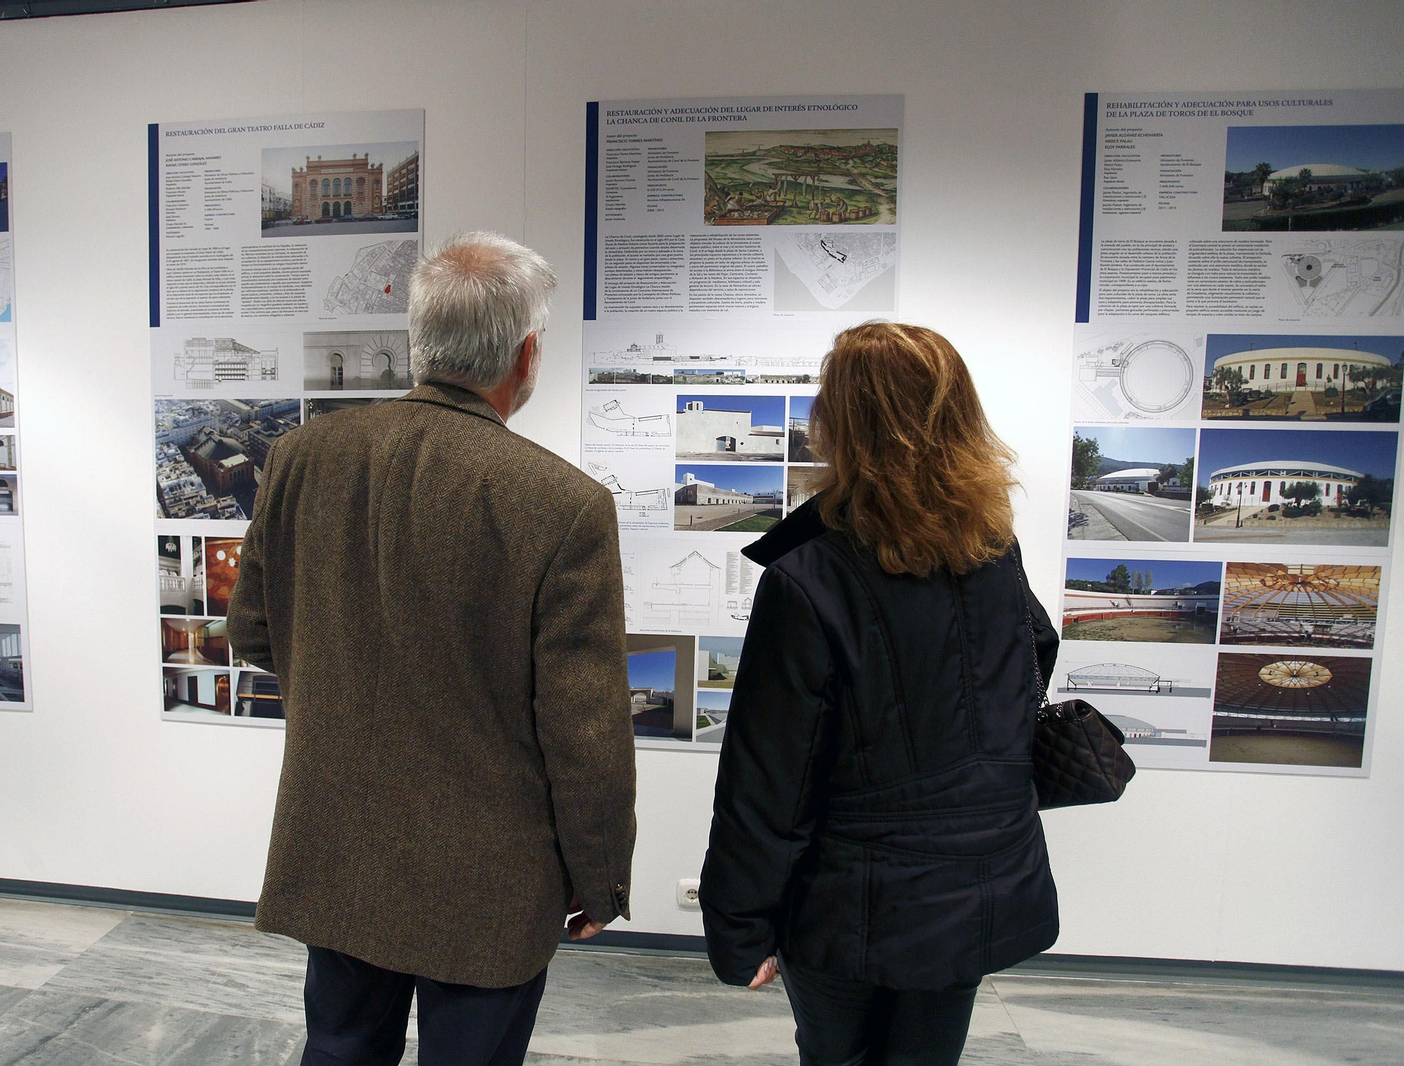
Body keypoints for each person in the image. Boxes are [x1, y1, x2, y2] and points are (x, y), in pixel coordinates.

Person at [228, 231, 637, 1066]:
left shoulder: (302, 458)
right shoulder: (562, 504)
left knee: (340, 1050)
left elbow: (254, 632)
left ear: (422, 340)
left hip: (338, 839)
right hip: (490, 875)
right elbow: (584, 729)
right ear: (525, 354)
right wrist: (602, 878)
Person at [699, 322, 1060, 1066]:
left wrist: (740, 929)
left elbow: (768, 780)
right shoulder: (992, 545)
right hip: (978, 881)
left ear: (841, 426)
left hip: (851, 903)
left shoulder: (809, 579)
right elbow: (1033, 659)